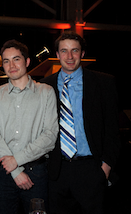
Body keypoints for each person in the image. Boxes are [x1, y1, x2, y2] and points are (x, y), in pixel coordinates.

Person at [40, 31, 120, 214]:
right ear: (57, 54)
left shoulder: (104, 83)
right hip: (56, 171)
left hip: (91, 170)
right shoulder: (44, 86)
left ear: (82, 53)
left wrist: (105, 168)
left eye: (74, 51)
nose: (69, 56)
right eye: (64, 51)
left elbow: (112, 131)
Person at [0, 39, 59, 214]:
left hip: (37, 172)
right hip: (4, 173)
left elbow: (50, 136)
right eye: (6, 61)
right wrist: (15, 170)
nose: (11, 65)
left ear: (27, 61)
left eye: (16, 59)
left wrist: (16, 160)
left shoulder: (46, 92)